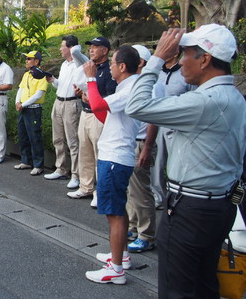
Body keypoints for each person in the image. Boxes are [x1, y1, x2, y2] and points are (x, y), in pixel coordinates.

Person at [126, 24, 246, 299]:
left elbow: (137, 106)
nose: (180, 62)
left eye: (186, 54)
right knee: (204, 290)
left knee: (177, 296)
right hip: (219, 205)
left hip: (190, 210)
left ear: (205, 59)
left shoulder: (203, 102)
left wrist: (156, 59)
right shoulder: (234, 97)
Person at [83, 45, 141, 285]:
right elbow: (105, 115)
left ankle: (116, 269)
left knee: (114, 213)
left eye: (113, 64)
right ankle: (121, 256)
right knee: (118, 209)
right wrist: (91, 95)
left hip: (115, 157)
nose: (110, 68)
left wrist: (90, 79)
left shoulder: (129, 89)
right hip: (116, 154)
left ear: (123, 66)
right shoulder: (127, 87)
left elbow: (98, 106)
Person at [67, 36, 117, 207]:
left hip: (99, 116)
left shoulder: (109, 70)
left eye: (96, 47)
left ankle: (99, 192)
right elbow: (85, 88)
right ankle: (85, 187)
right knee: (85, 152)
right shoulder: (88, 67)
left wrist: (93, 98)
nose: (91, 50)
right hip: (85, 113)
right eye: (90, 47)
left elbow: (110, 96)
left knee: (99, 155)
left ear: (105, 50)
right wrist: (81, 93)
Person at [125, 45, 164, 254]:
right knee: (132, 190)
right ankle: (133, 226)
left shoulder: (153, 84)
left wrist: (147, 147)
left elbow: (153, 119)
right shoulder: (137, 82)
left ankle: (147, 235)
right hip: (133, 140)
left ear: (141, 62)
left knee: (141, 191)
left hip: (142, 142)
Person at [150, 47, 194, 208]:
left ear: (176, 53)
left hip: (176, 124)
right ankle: (158, 197)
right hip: (157, 121)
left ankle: (179, 197)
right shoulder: (157, 72)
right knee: (157, 162)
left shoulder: (185, 73)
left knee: (178, 161)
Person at [44, 35, 88, 188]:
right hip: (58, 102)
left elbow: (76, 51)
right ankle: (61, 168)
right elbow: (62, 85)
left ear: (70, 48)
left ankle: (76, 175)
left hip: (72, 103)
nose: (60, 49)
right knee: (58, 138)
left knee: (73, 141)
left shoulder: (80, 62)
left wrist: (74, 47)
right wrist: (53, 81)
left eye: (62, 46)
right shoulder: (64, 65)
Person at [14, 51, 48, 176]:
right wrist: (17, 101)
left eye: (29, 59)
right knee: (23, 135)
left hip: (33, 109)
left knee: (34, 136)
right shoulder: (27, 74)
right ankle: (26, 160)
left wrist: (23, 104)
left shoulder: (41, 75)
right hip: (23, 108)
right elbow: (21, 89)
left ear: (36, 61)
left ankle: (38, 164)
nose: (26, 61)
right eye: (26, 58)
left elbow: (39, 94)